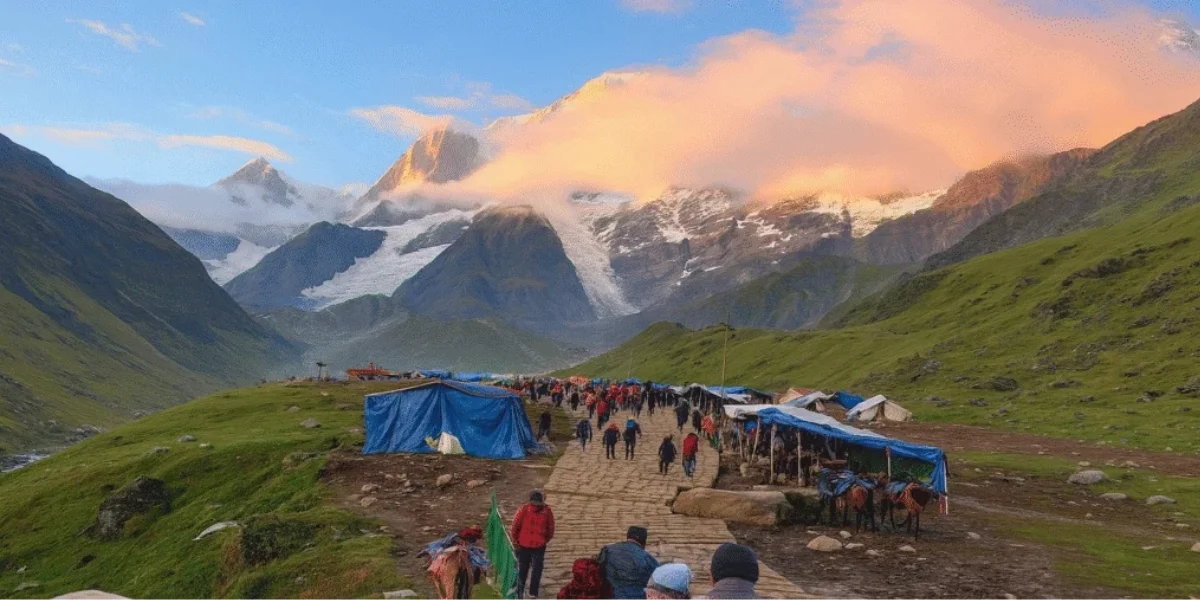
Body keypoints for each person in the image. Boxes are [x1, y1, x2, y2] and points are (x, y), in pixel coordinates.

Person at [511, 490, 556, 600]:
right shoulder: (529, 510)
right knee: (527, 569)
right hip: (528, 545)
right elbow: (515, 527)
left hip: (533, 546)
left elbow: (514, 527)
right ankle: (529, 593)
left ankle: (526, 592)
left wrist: (516, 541)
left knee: (532, 570)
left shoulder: (526, 509)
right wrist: (516, 542)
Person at [598, 526, 659, 599]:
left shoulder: (607, 550)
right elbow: (658, 583)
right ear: (644, 541)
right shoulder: (648, 558)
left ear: (628, 536)